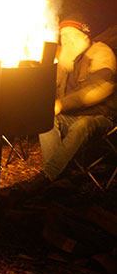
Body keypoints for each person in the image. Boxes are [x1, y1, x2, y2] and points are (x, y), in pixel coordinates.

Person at [11, 15, 117, 197]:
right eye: (63, 35)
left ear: (85, 36)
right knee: (46, 117)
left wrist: (62, 104)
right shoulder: (66, 58)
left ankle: (47, 176)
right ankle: (55, 177)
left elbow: (101, 88)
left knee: (82, 125)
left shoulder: (101, 53)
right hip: (72, 116)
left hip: (101, 117)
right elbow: (52, 88)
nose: (66, 39)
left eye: (71, 35)